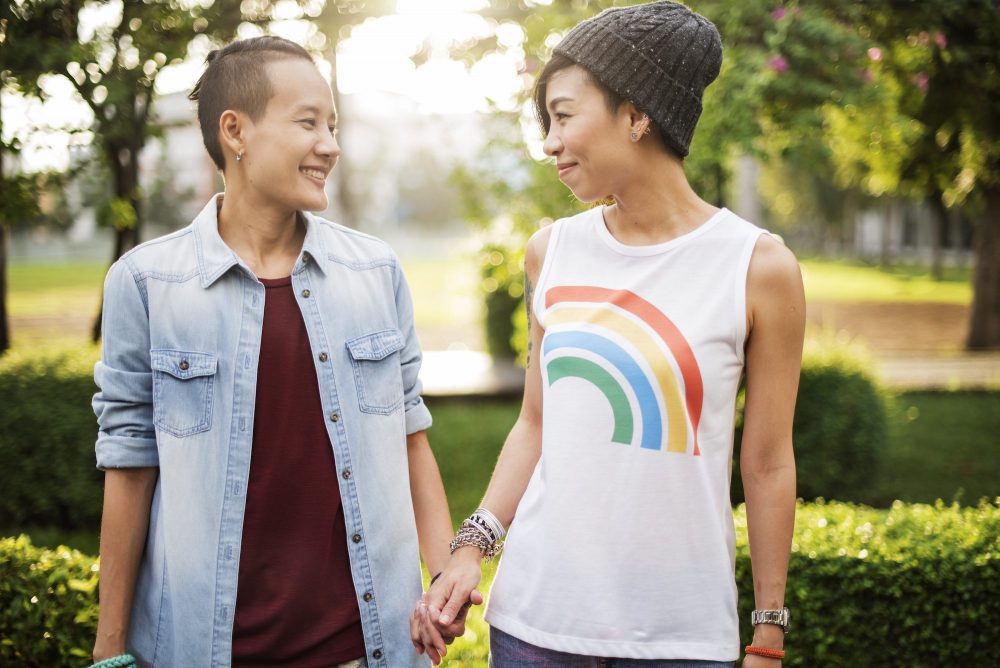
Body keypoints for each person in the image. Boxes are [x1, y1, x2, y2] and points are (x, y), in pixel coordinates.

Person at [414, 2, 803, 666]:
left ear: (636, 113)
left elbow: (765, 462)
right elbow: (536, 424)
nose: (549, 142)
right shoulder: (551, 252)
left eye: (564, 115)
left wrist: (768, 631)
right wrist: (470, 547)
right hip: (536, 627)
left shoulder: (757, 267)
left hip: (681, 637)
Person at [90, 35, 470, 668]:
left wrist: (438, 580)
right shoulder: (146, 284)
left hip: (365, 647)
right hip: (204, 649)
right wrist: (109, 654)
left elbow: (410, 433)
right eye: (307, 122)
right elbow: (129, 467)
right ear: (235, 131)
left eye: (333, 125)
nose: (330, 144)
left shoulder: (374, 271)